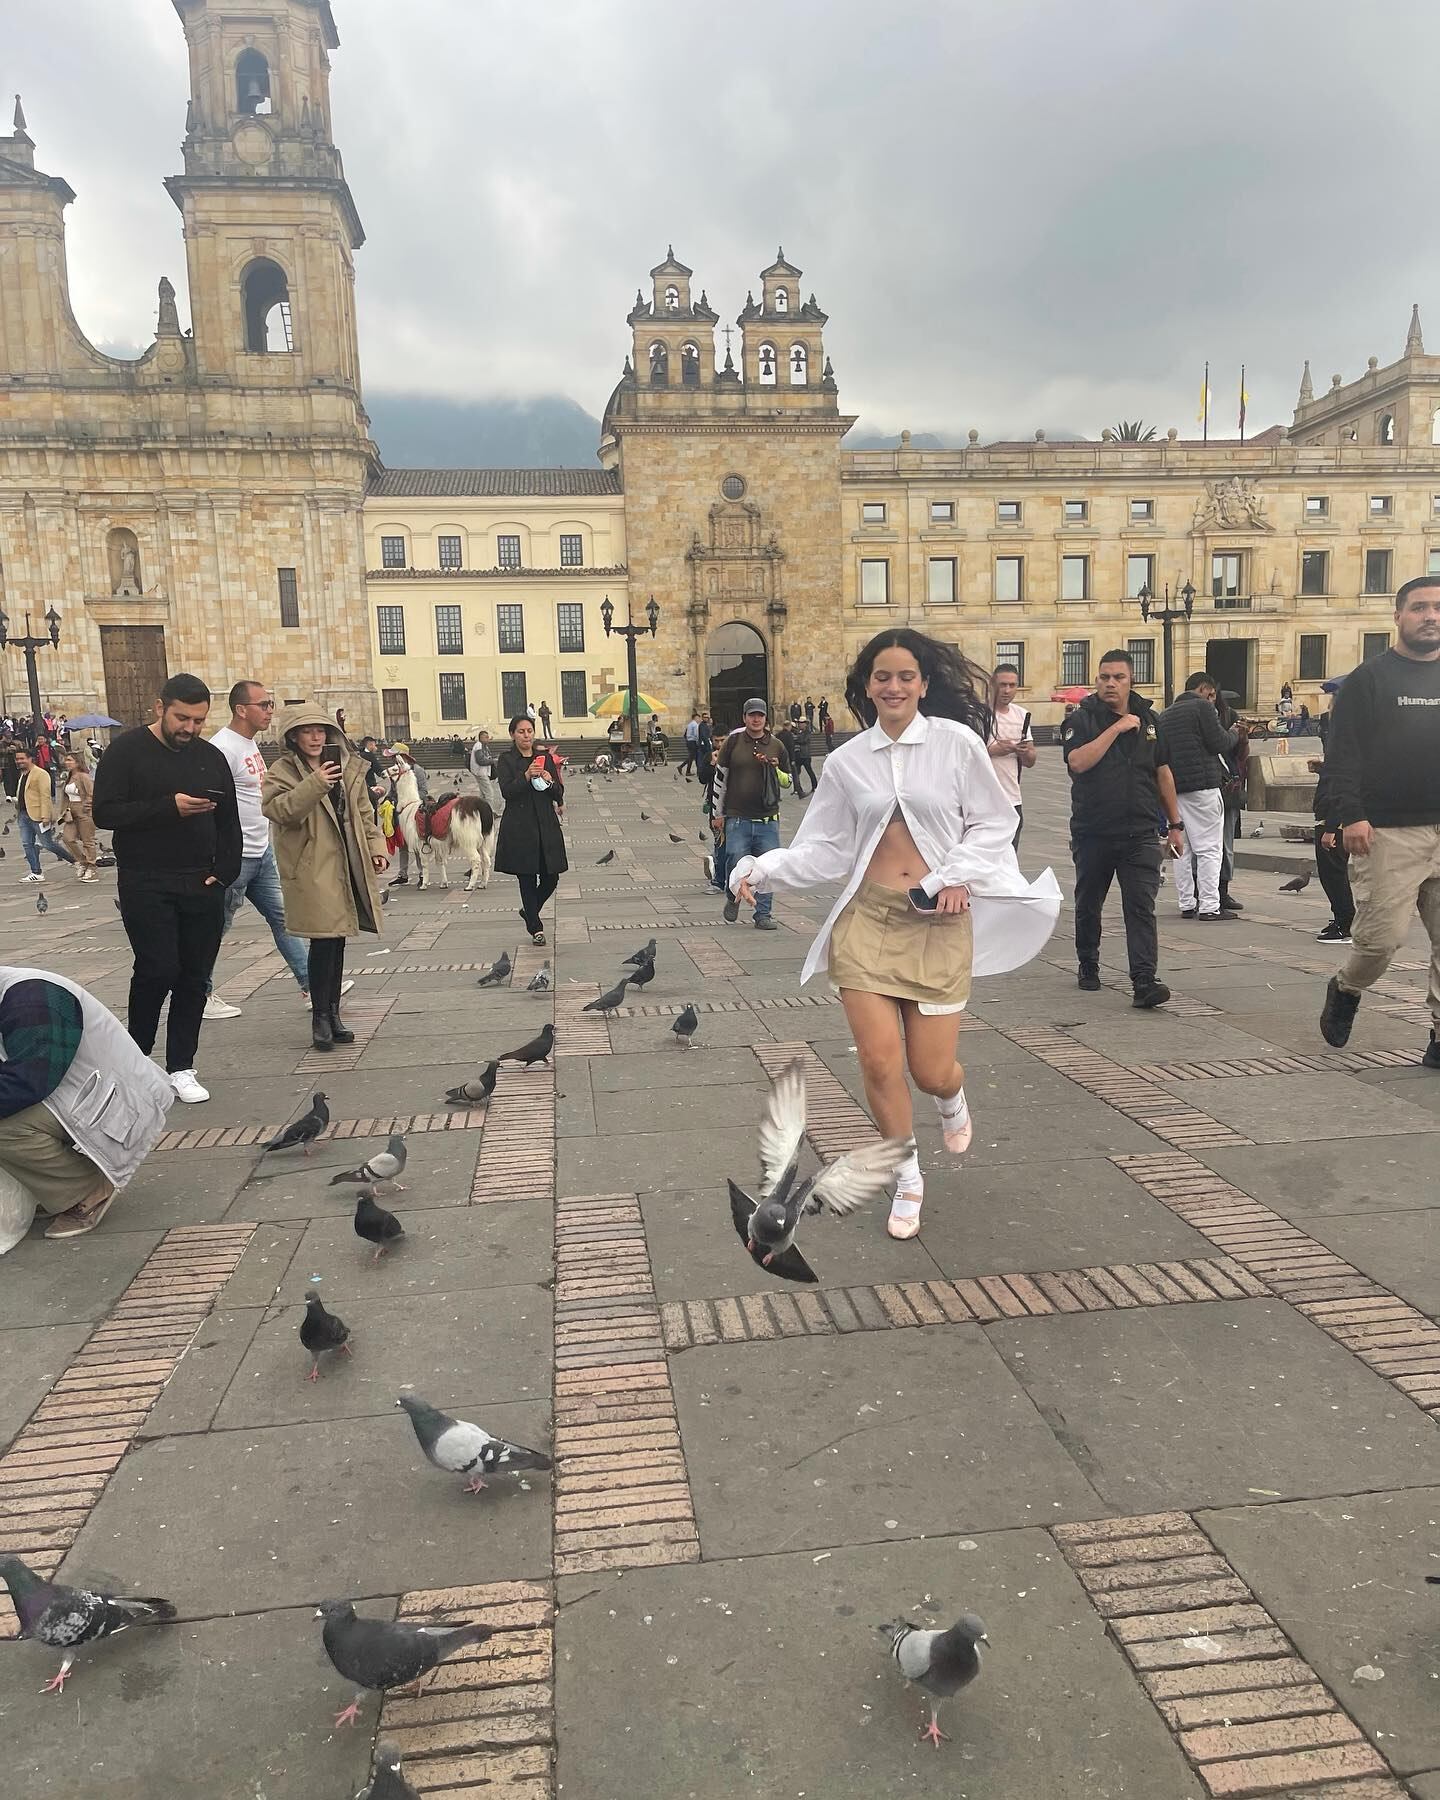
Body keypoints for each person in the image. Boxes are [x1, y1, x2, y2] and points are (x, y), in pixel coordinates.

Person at [730, 628, 1059, 1239]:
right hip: (868, 922)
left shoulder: (957, 744)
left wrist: (957, 876)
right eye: (882, 676)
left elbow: (994, 821)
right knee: (881, 1063)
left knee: (930, 1069)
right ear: (866, 687)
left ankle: (951, 1097)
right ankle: (906, 1177)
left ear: (924, 684)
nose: (894, 686)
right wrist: (762, 868)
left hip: (939, 921)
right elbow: (826, 848)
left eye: (906, 676)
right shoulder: (849, 761)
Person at [91, 673, 242, 1105]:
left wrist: (226, 870)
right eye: (182, 718)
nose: (190, 729)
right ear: (160, 708)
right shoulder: (126, 752)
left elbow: (229, 819)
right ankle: (135, 1059)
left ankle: (181, 1066)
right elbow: (105, 812)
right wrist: (167, 807)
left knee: (194, 978)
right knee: (157, 968)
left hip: (202, 880)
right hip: (146, 880)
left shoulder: (210, 757)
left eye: (198, 720)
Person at [1319, 576, 1440, 1065]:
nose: (1430, 616)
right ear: (1398, 616)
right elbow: (1342, 755)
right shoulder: (1369, 680)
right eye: (1418, 608)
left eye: (1437, 608)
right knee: (1381, 939)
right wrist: (1350, 816)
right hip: (1389, 831)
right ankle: (1347, 988)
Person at [0, 964, 174, 1242]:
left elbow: (28, 1082)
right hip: (75, 1093)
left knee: (5, 1129)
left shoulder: (31, 999)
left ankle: (87, 1188)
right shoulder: (15, 994)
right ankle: (54, 1183)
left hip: (118, 1107)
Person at [261, 703, 389, 1053]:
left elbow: (364, 811)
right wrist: (314, 784)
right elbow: (278, 810)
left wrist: (377, 846)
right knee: (323, 940)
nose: (316, 737)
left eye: (321, 730)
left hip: (347, 859)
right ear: (293, 737)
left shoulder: (347, 765)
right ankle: (320, 1017)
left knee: (338, 940)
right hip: (313, 864)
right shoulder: (283, 770)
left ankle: (332, 1014)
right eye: (307, 731)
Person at [1061, 649, 1184, 1007]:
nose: (1110, 683)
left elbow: (1162, 771)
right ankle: (1089, 962)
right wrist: (1116, 728)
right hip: (1094, 831)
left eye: (1118, 677)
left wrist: (1175, 824)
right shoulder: (1082, 719)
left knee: (1141, 907)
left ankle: (1144, 982)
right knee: (1089, 902)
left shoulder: (1150, 720)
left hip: (1141, 832)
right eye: (1104, 677)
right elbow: (1077, 762)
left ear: (1131, 681)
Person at [201, 680, 314, 1021]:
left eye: (270, 704)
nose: (270, 710)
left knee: (284, 918)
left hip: (260, 850)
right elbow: (212, 803)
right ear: (241, 709)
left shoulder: (249, 744)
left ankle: (313, 984)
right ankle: (200, 994)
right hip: (234, 856)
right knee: (215, 928)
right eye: (263, 704)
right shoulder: (222, 747)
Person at [1159, 673, 1237, 922]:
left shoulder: (1166, 714)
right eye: (1212, 694)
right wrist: (1234, 733)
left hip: (1175, 789)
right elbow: (1218, 743)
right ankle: (1210, 906)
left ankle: (1186, 903)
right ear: (1204, 689)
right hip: (1203, 787)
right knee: (1210, 849)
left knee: (1182, 849)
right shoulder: (1202, 707)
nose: (1213, 701)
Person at [714, 699, 791, 930]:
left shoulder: (777, 745)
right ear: (744, 718)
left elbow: (788, 782)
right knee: (734, 861)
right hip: (737, 818)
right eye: (751, 715)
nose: (756, 719)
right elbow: (721, 778)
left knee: (767, 869)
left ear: (766, 718)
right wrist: (717, 813)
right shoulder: (733, 743)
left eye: (760, 715)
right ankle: (733, 894)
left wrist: (774, 768)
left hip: (768, 819)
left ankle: (763, 914)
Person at [494, 714, 567, 945]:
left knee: (551, 878)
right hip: (520, 826)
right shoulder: (506, 760)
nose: (526, 735)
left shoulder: (544, 757)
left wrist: (549, 779)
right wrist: (526, 776)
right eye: (521, 731)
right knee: (526, 878)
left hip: (545, 824)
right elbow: (507, 791)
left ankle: (530, 910)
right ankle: (535, 927)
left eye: (529, 731)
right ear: (512, 734)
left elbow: (558, 794)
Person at [986, 663, 1035, 847]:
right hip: (985, 799)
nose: (1007, 690)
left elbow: (1031, 760)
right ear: (992, 685)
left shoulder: (1021, 715)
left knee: (1011, 859)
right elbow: (965, 756)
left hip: (1012, 798)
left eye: (1012, 685)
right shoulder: (979, 714)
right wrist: (993, 750)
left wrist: (1025, 752)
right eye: (1002, 684)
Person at [1309, 749, 1353, 944]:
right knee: (1332, 874)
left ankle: (1345, 923)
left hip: (1332, 822)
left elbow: (1340, 791)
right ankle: (1341, 917)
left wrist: (1331, 827)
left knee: (1333, 874)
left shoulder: (1344, 749)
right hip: (1331, 819)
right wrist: (1323, 769)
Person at [14, 746, 74, 882]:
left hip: (38, 815)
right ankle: (36, 872)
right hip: (23, 814)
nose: (19, 761)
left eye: (22, 758)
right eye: (17, 759)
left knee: (48, 844)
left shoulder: (40, 774)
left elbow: (45, 796)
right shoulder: (23, 774)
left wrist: (46, 816)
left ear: (30, 759)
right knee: (27, 844)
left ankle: (75, 861)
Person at [1214, 690, 1247, 914]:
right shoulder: (1201, 723)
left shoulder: (1230, 717)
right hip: (1208, 788)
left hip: (1228, 789)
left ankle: (1222, 890)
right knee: (1208, 847)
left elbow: (1240, 757)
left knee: (1226, 845)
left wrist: (1242, 737)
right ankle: (1208, 893)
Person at [386, 743, 428, 884]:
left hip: (413, 811)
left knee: (416, 842)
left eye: (394, 757)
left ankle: (422, 874)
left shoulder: (417, 771)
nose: (392, 760)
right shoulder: (396, 771)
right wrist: (388, 799)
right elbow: (393, 790)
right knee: (401, 842)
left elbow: (423, 791)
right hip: (399, 811)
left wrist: (408, 800)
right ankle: (403, 874)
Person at [56, 749, 98, 881]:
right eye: (66, 760)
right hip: (70, 811)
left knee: (87, 840)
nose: (66, 762)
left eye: (70, 760)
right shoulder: (69, 777)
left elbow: (92, 792)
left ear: (77, 762)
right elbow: (66, 796)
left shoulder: (83, 776)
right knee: (68, 838)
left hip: (83, 809)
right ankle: (82, 861)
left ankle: (91, 866)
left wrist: (88, 804)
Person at [468, 729, 501, 809]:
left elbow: (486, 757)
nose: (488, 738)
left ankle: (480, 809)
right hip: (480, 772)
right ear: (481, 738)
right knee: (489, 793)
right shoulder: (478, 745)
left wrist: (493, 759)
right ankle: (489, 812)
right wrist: (493, 761)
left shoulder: (484, 746)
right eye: (486, 737)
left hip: (482, 772)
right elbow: (481, 760)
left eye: (488, 737)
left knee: (483, 793)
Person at [788, 714, 818, 797]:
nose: (800, 724)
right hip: (798, 755)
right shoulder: (798, 731)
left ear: (805, 724)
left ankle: (815, 786)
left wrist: (796, 739)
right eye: (799, 723)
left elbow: (803, 740)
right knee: (796, 773)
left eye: (802, 723)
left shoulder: (807, 732)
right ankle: (797, 789)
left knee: (809, 771)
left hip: (805, 755)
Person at [680, 710, 701, 781]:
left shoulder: (689, 724)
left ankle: (686, 770)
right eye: (698, 718)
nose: (699, 719)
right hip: (693, 741)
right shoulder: (695, 725)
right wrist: (698, 742)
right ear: (695, 718)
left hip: (688, 741)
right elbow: (696, 734)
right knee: (693, 756)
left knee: (691, 756)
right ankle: (682, 767)